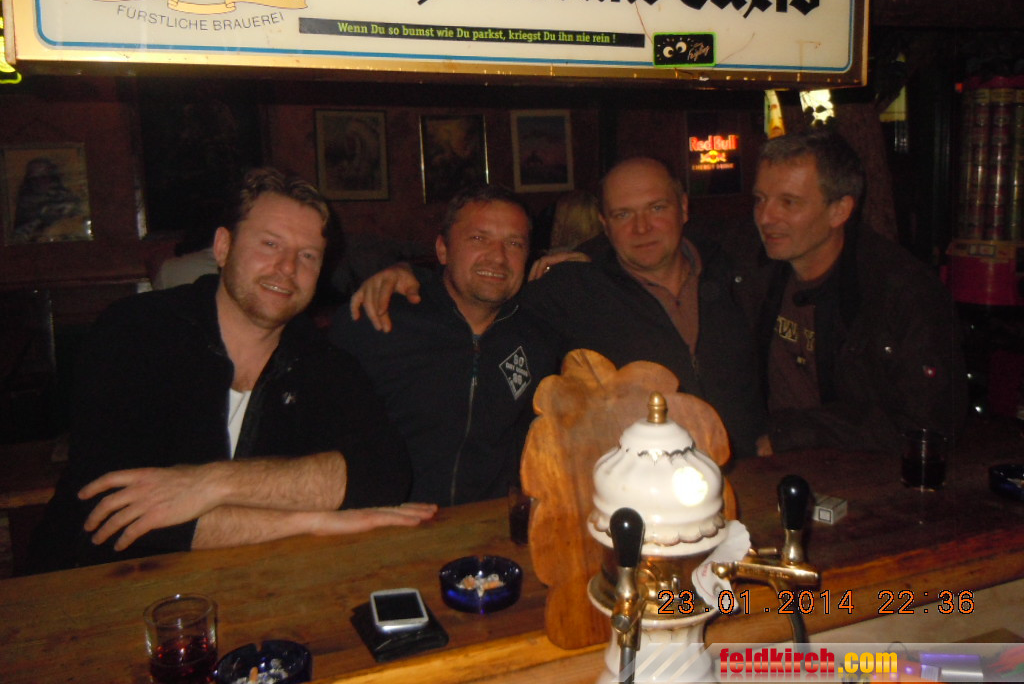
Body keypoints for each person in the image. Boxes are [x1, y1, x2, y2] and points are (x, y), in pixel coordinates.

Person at [32, 168, 433, 571]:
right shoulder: (137, 331)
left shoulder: (323, 361)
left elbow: (384, 475)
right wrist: (311, 521)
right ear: (223, 247)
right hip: (92, 585)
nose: (287, 267)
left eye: (308, 256)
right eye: (270, 244)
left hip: (251, 583)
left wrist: (211, 484)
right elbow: (117, 516)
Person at [351, 158, 764, 458]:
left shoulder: (738, 269)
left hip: (752, 472)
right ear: (604, 223)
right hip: (641, 495)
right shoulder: (574, 290)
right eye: (623, 214)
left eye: (657, 208)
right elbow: (481, 289)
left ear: (684, 208)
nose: (641, 228)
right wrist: (408, 274)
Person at [331, 185, 559, 506]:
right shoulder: (377, 320)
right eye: (478, 238)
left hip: (489, 522)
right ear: (443, 250)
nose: (498, 257)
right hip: (385, 523)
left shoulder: (538, 338)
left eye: (514, 243)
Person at [743, 129, 965, 454]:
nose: (765, 217)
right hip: (772, 461)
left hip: (859, 471)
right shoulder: (753, 267)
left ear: (840, 210)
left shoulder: (902, 292)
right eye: (760, 199)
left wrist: (790, 434)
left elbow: (929, 422)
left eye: (788, 202)